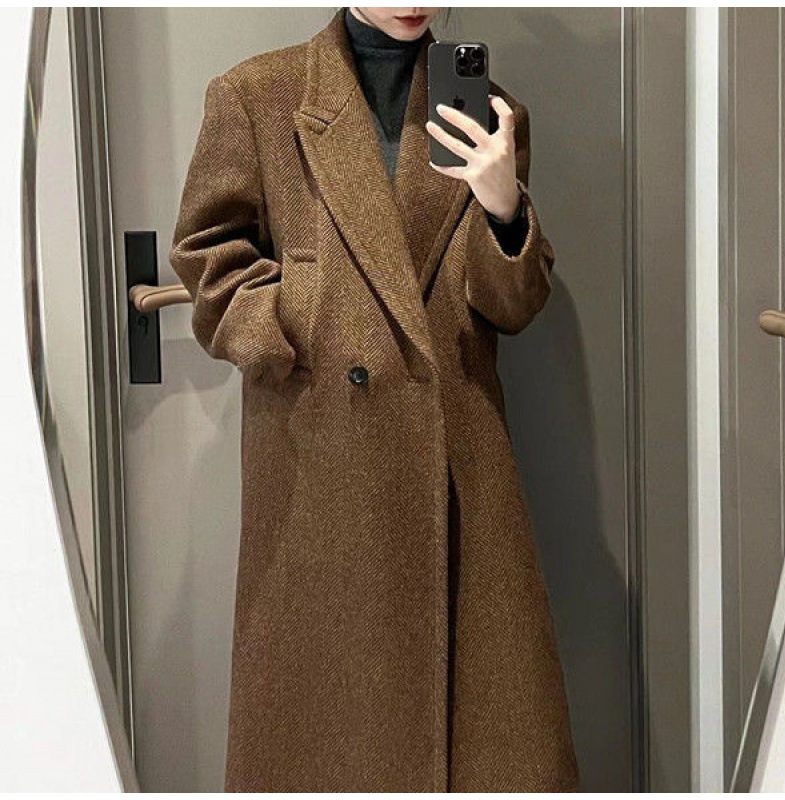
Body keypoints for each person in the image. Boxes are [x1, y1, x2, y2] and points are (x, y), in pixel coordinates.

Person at [169, 6, 579, 792]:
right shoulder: (258, 95)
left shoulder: (493, 110)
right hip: (322, 467)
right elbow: (208, 263)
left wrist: (504, 206)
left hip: (458, 470)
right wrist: (310, 314)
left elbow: (510, 306)